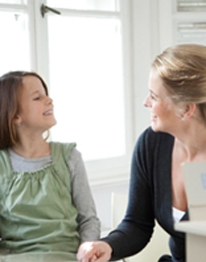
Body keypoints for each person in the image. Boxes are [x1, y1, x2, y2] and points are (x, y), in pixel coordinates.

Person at [77, 43, 206, 262]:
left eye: (154, 96)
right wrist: (108, 246)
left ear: (186, 109)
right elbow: (138, 224)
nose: (146, 103)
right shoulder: (152, 143)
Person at [0, 71, 100, 262]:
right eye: (37, 97)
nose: (49, 100)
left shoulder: (69, 157)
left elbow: (88, 220)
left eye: (46, 94)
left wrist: (87, 254)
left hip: (66, 257)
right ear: (15, 116)